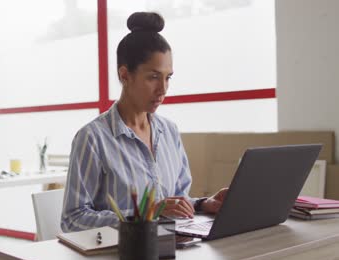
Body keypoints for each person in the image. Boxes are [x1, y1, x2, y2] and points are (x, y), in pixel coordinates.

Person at [61, 12, 227, 232]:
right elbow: (72, 219)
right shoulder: (92, 138)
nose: (163, 89)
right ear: (125, 75)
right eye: (153, 77)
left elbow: (176, 201)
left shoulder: (169, 131)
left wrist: (202, 204)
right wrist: (147, 215)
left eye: (168, 77)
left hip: (170, 248)